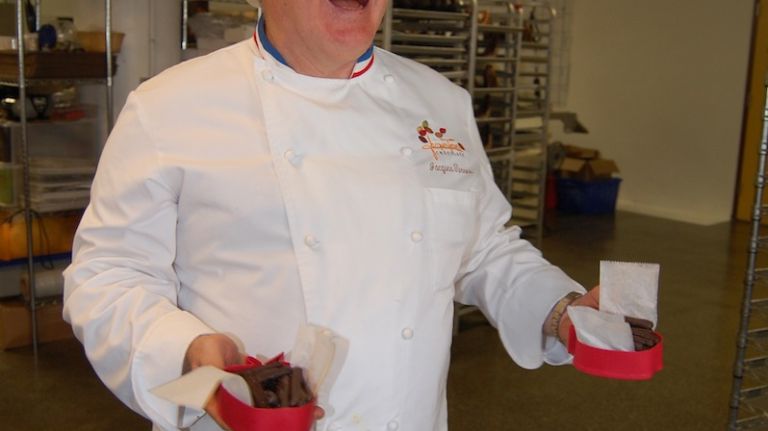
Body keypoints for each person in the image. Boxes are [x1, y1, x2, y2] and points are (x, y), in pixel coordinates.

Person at [62, 0, 599, 430]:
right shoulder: (169, 108)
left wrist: (562, 311)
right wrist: (184, 351)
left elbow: (485, 249)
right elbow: (107, 276)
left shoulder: (441, 103)